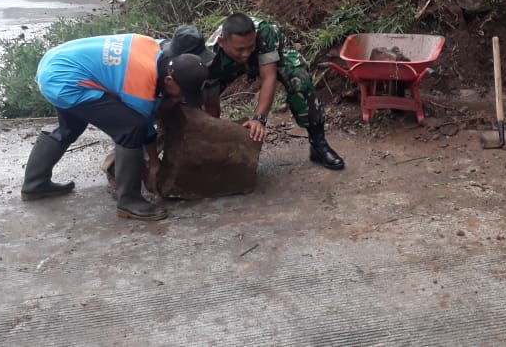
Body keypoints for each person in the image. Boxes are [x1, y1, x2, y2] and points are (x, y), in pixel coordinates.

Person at [21, 33, 209, 221]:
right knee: (131, 128)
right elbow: (144, 127)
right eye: (182, 93)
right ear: (169, 80)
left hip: (58, 61)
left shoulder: (156, 47)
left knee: (71, 127)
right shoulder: (140, 83)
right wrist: (153, 163)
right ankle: (129, 201)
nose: (182, 98)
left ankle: (35, 184)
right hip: (65, 80)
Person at [164, 14, 345, 170]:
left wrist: (259, 118)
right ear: (222, 42)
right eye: (240, 49)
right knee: (197, 90)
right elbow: (211, 101)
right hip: (229, 63)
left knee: (300, 80)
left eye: (249, 47)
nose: (245, 54)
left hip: (276, 56)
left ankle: (318, 144)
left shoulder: (265, 33)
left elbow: (268, 77)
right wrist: (211, 138)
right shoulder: (211, 54)